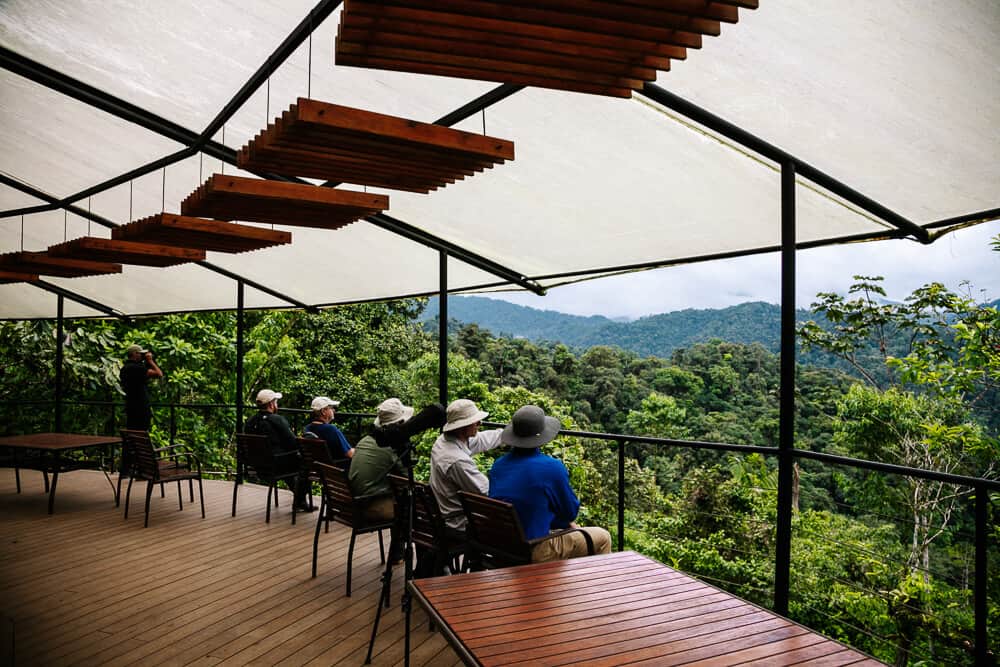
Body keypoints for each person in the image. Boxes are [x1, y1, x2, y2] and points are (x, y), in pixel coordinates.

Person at [489, 404, 612, 562]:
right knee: (602, 537)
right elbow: (569, 512)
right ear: (541, 436)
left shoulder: (499, 465)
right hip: (533, 549)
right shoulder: (551, 468)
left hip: (502, 546)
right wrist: (567, 524)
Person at [429, 398, 503, 534]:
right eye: (475, 421)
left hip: (444, 512)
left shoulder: (444, 441)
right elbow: (487, 492)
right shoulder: (457, 461)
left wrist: (507, 434)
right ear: (463, 426)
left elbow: (483, 440)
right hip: (458, 522)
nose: (479, 423)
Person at [244, 388, 313, 512]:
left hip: (258, 465)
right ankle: (300, 498)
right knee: (307, 463)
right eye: (276, 402)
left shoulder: (250, 422)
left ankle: (300, 501)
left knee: (288, 464)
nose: (277, 405)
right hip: (276, 465)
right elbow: (293, 443)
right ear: (271, 404)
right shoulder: (277, 420)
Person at [120, 343, 163, 432]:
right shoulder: (136, 368)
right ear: (135, 354)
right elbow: (159, 374)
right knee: (141, 431)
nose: (142, 356)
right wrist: (150, 361)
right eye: (141, 354)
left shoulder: (125, 368)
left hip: (130, 405)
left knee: (132, 431)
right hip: (140, 407)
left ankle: (131, 446)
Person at [304, 396, 354, 461]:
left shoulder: (308, 429)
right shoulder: (330, 429)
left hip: (320, 466)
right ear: (323, 411)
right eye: (331, 408)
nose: (334, 410)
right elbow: (349, 453)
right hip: (336, 468)